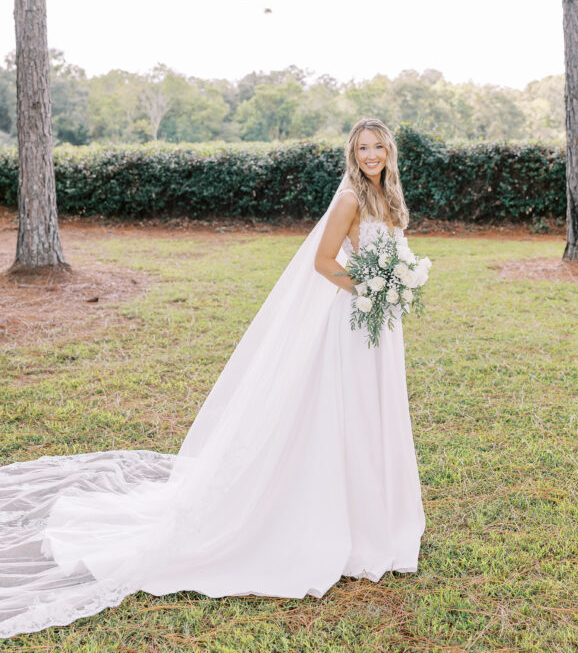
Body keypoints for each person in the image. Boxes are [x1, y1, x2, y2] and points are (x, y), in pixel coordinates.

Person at [0, 118, 425, 638]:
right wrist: (368, 287)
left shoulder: (391, 197)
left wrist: (395, 285)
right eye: (363, 148)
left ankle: (376, 515)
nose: (371, 155)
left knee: (375, 415)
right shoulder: (349, 199)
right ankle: (343, 521)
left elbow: (393, 256)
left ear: (389, 151)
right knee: (351, 415)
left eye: (378, 147)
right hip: (355, 320)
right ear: (352, 153)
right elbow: (321, 262)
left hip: (382, 326)